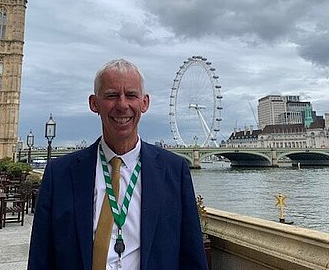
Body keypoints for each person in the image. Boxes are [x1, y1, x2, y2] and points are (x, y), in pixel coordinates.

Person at [28, 59, 208, 269]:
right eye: (112, 95)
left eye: (131, 95)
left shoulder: (174, 171)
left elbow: (192, 257)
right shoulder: (58, 174)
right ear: (94, 103)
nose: (122, 105)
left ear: (145, 103)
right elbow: (41, 258)